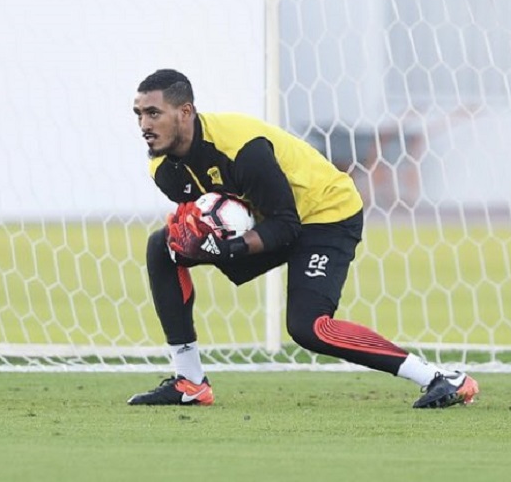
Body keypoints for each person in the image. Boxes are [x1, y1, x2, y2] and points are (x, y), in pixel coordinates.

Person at [126, 68, 479, 409]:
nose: (144, 125)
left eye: (153, 113)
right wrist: (198, 236)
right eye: (139, 114)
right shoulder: (162, 167)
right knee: (163, 247)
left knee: (309, 327)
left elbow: (286, 227)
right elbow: (215, 213)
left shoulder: (243, 149)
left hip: (327, 213)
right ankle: (189, 381)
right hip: (272, 219)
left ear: (185, 111)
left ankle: (442, 377)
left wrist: (231, 246)